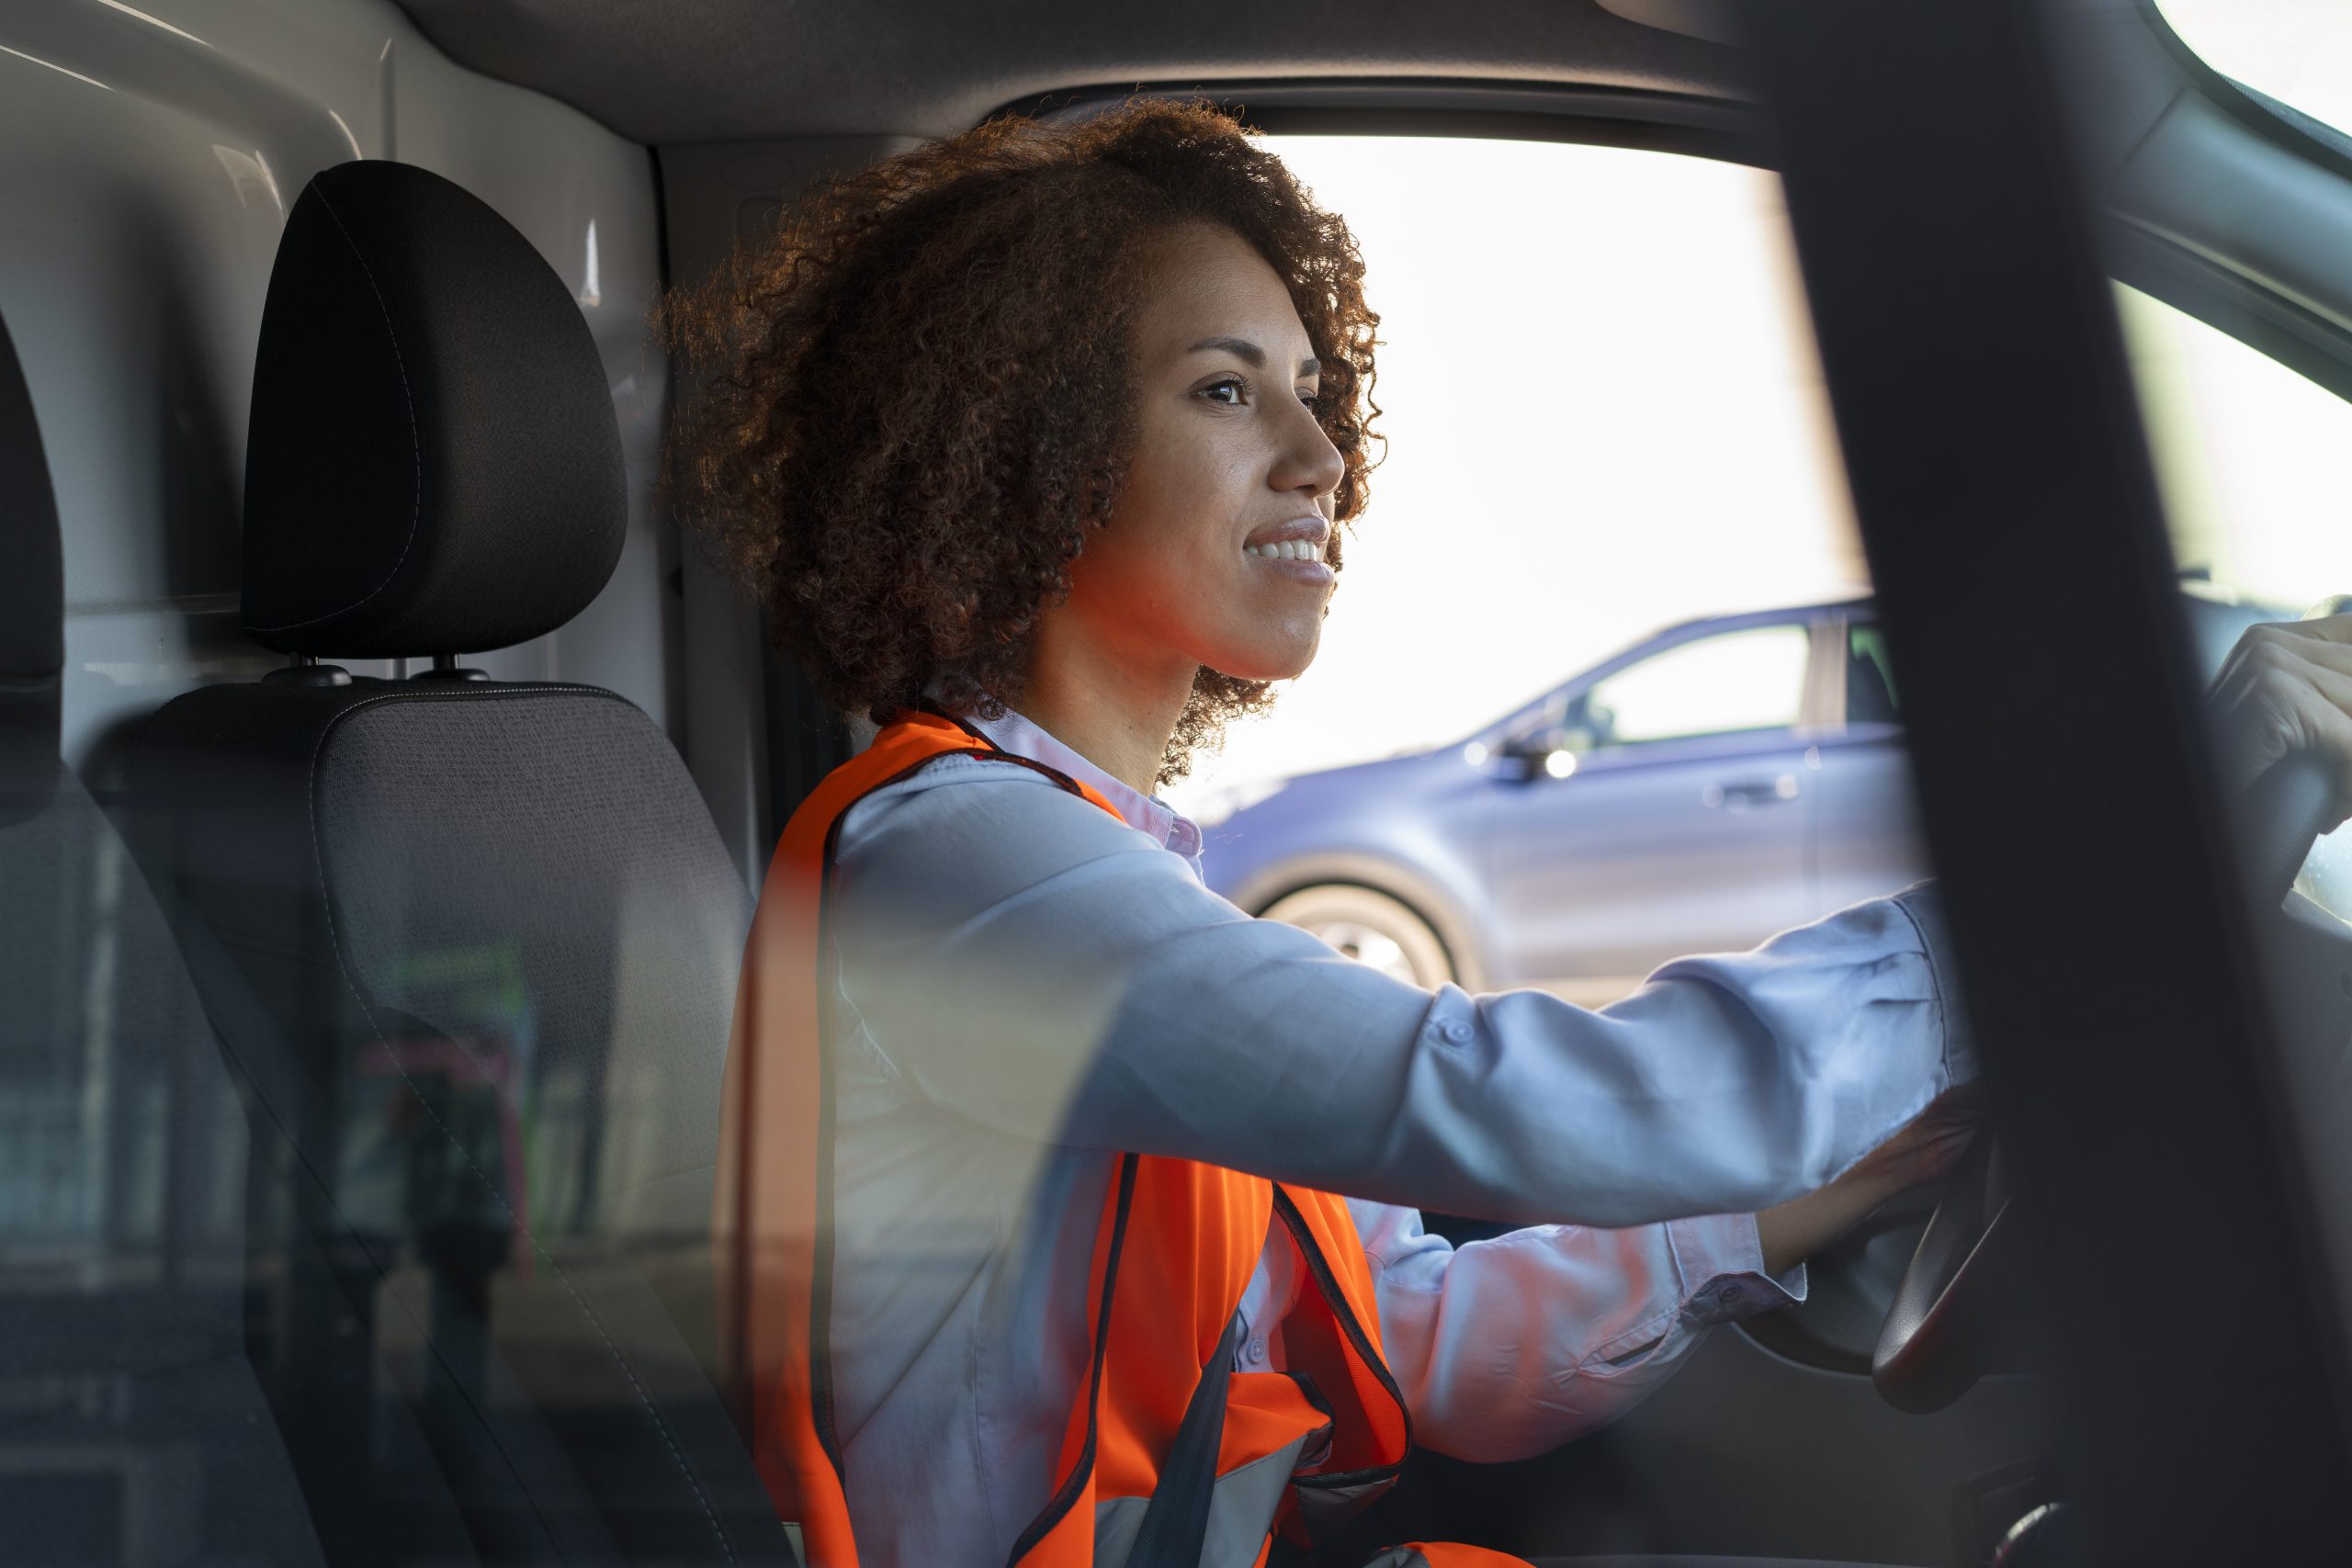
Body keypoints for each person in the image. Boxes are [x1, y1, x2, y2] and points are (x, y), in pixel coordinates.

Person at [665, 100, 2352, 1568]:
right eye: (1227, 391)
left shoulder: (1095, 867)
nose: (1321, 454)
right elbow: (1498, 1102)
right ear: (1026, 450)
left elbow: (1416, 1341)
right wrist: (2069, 888)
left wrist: (1794, 1213)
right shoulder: (958, 866)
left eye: (1312, 393)